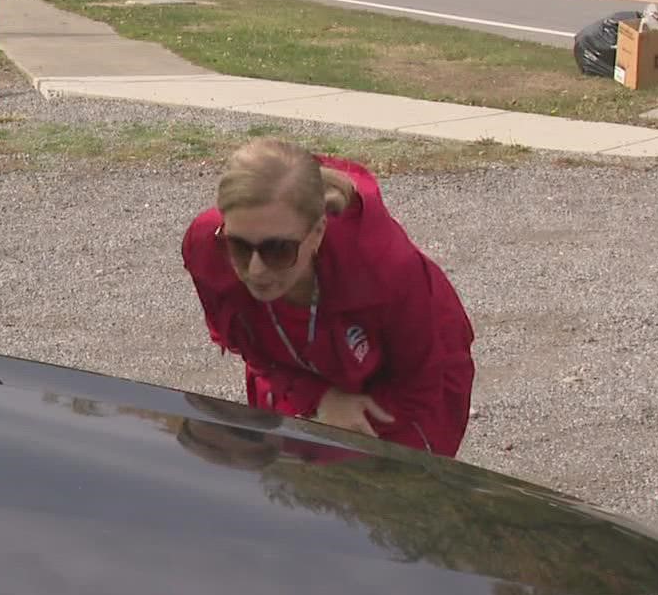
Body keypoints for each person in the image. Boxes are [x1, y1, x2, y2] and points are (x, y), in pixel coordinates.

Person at [181, 138, 477, 457]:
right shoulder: (207, 247)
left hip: (402, 390)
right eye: (238, 245)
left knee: (383, 490)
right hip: (298, 378)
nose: (255, 270)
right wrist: (320, 399)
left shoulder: (386, 269)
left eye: (278, 250)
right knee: (288, 483)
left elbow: (419, 386)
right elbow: (253, 352)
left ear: (318, 231)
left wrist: (343, 426)